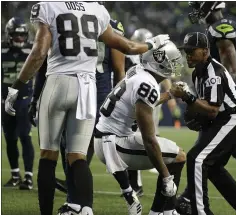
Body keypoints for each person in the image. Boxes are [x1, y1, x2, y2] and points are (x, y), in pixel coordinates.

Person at [4, 2, 170, 215]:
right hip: (87, 87)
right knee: (78, 156)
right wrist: (151, 44)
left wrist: (16, 86)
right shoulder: (98, 10)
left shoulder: (47, 6)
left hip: (59, 81)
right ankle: (86, 210)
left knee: (48, 154)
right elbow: (127, 46)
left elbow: (39, 52)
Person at [176, 2, 236, 214]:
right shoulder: (200, 68)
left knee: (208, 155)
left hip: (230, 103)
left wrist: (214, 92)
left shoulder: (220, 28)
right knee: (211, 161)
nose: (195, 8)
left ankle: (198, 204)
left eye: (198, 3)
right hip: (226, 100)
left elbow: (228, 70)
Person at [28, 18, 126, 198]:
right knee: (73, 146)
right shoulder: (104, 22)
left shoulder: (69, 18)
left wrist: (119, 101)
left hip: (92, 89)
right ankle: (77, 200)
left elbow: (120, 69)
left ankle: (75, 199)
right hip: (84, 86)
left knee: (75, 147)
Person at [94, 40, 186, 215]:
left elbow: (141, 103)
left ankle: (165, 210)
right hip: (115, 144)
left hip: (105, 137)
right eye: (171, 62)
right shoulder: (147, 84)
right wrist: (166, 176)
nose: (174, 66)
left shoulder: (138, 72)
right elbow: (149, 140)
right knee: (179, 156)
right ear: (160, 63)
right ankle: (161, 211)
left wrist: (170, 94)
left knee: (173, 154)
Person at [125, 29, 183, 197]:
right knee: (145, 135)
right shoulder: (148, 54)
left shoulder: (138, 55)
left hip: (145, 95)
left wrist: (170, 94)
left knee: (141, 136)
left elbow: (164, 72)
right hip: (146, 94)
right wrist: (170, 94)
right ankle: (140, 177)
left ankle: (137, 182)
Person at [1, 17, 35, 190]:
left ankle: (28, 177)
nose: (20, 39)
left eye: (22, 35)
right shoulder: (2, 49)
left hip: (24, 100)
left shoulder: (32, 50)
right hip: (5, 101)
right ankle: (15, 174)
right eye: (16, 35)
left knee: (24, 136)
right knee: (10, 139)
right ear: (9, 34)